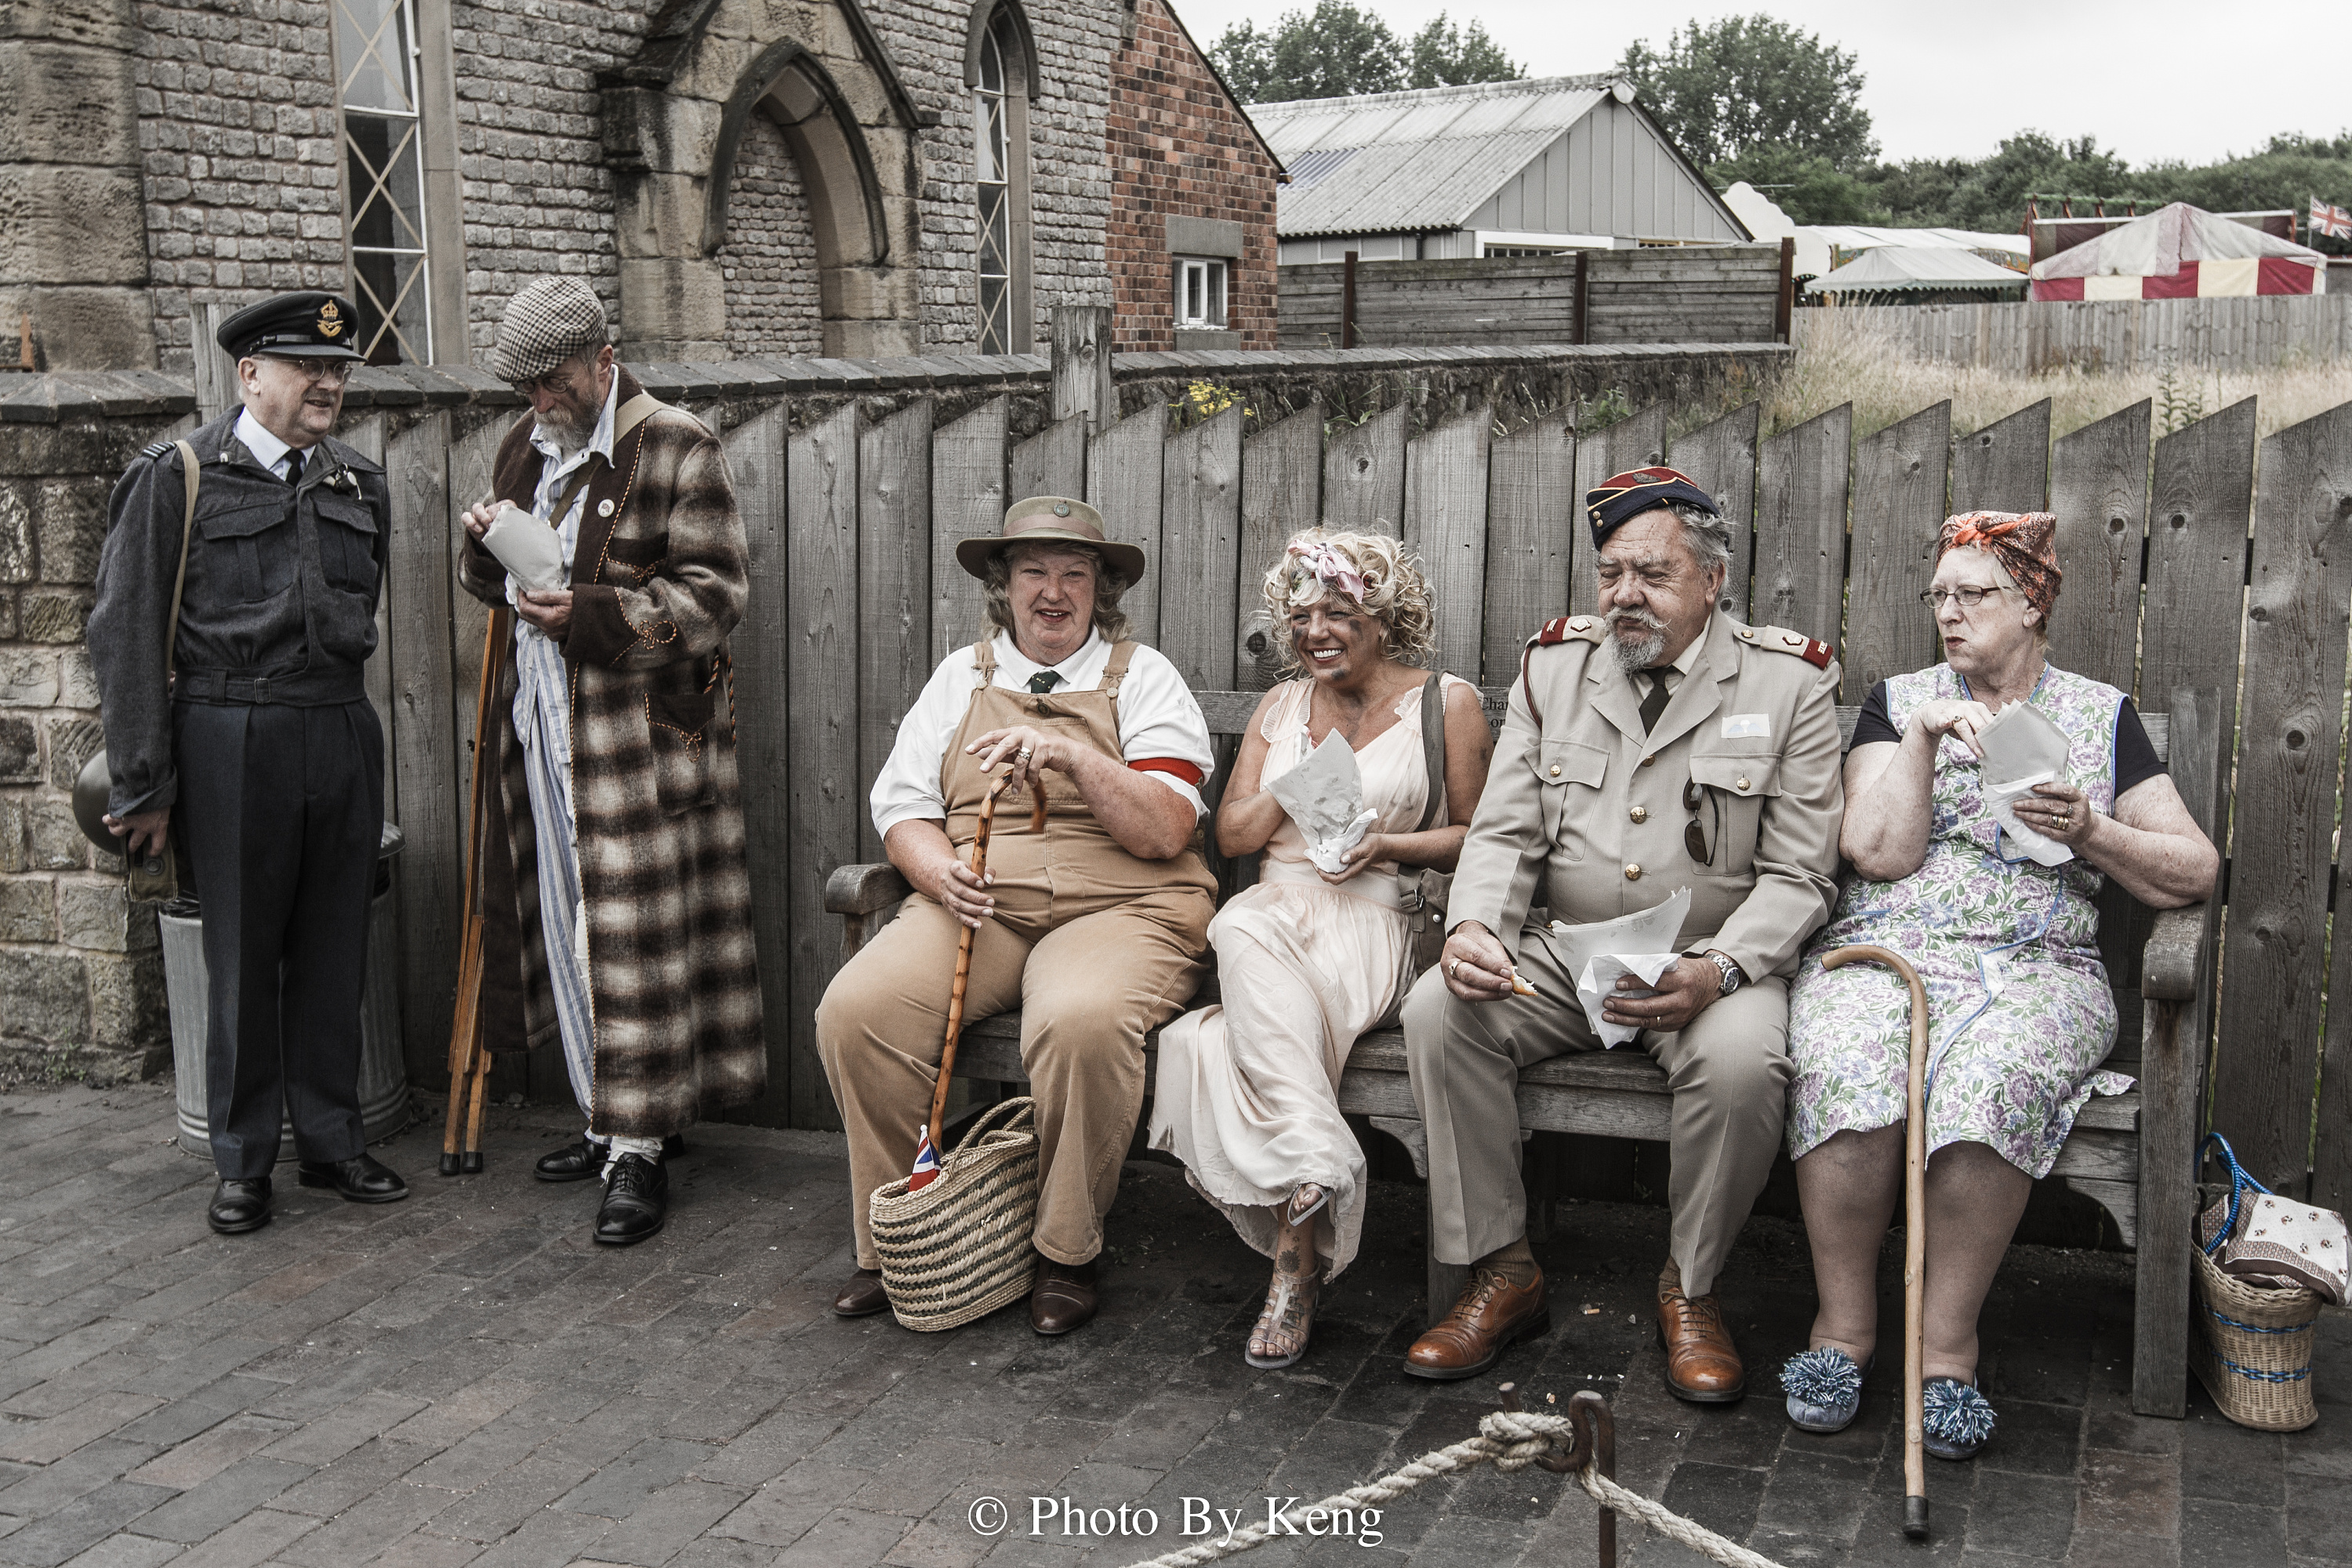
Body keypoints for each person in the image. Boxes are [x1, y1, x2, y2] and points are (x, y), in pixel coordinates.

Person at [1776, 512, 2216, 1457]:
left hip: (2038, 966)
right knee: (1848, 1057)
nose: (1948, 610)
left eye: (1971, 592)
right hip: (1890, 945)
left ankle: (1946, 1352)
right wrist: (1925, 742)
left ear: (2031, 601)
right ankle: (1842, 1332)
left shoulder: (2100, 714)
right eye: (1938, 593)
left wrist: (2092, 831)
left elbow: (2194, 869)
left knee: (1987, 1081)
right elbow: (1872, 853)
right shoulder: (1902, 700)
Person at [1401, 466, 1846, 1396]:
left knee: (1742, 1064)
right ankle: (1503, 1270)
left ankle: (1693, 1287)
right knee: (1444, 1008)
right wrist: (1476, 924)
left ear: (1713, 579)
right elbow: (1505, 829)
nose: (1623, 597)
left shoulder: (1788, 681)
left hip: (1710, 964)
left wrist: (1722, 967)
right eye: (1610, 574)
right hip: (1565, 954)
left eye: (1652, 574)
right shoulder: (1554, 667)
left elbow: (1802, 873)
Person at [816, 497, 1217, 1335]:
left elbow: (1166, 825)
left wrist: (1074, 756)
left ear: (1100, 590)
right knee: (857, 1011)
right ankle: (902, 1237)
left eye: (1075, 573)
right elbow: (902, 806)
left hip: (1124, 905)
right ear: (1004, 584)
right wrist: (938, 868)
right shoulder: (961, 677)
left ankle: (1065, 1248)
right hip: (982, 903)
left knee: (1077, 1018)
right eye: (1034, 570)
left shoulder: (1142, 677)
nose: (1053, 591)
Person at [456, 277, 764, 1247]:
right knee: (568, 920)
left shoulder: (674, 441)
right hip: (545, 723)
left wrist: (593, 614)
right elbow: (506, 577)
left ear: (602, 358)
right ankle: (607, 1120)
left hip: (637, 742)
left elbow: (716, 590)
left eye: (552, 384)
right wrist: (487, 551)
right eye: (526, 390)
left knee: (632, 942)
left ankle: (640, 1145)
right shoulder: (524, 445)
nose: (539, 404)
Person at [89, 291, 406, 1233]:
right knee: (238, 951)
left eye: (339, 367)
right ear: (249, 374)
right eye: (306, 365)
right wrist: (143, 777)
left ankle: (331, 1138)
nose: (328, 381)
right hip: (230, 733)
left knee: (333, 943)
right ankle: (241, 1157)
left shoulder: (358, 483)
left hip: (339, 727)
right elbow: (125, 631)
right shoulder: (179, 476)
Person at [1151, 532, 1493, 1368]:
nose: (1316, 632)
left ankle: (1299, 1248)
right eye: (1301, 617)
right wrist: (1289, 777)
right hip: (1274, 911)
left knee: (1220, 1021)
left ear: (1383, 615)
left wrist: (1387, 848)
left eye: (1338, 612)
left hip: (1377, 917)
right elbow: (1231, 834)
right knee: (1237, 922)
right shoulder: (1280, 709)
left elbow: (1481, 842)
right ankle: (1306, 1214)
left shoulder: (1445, 703)